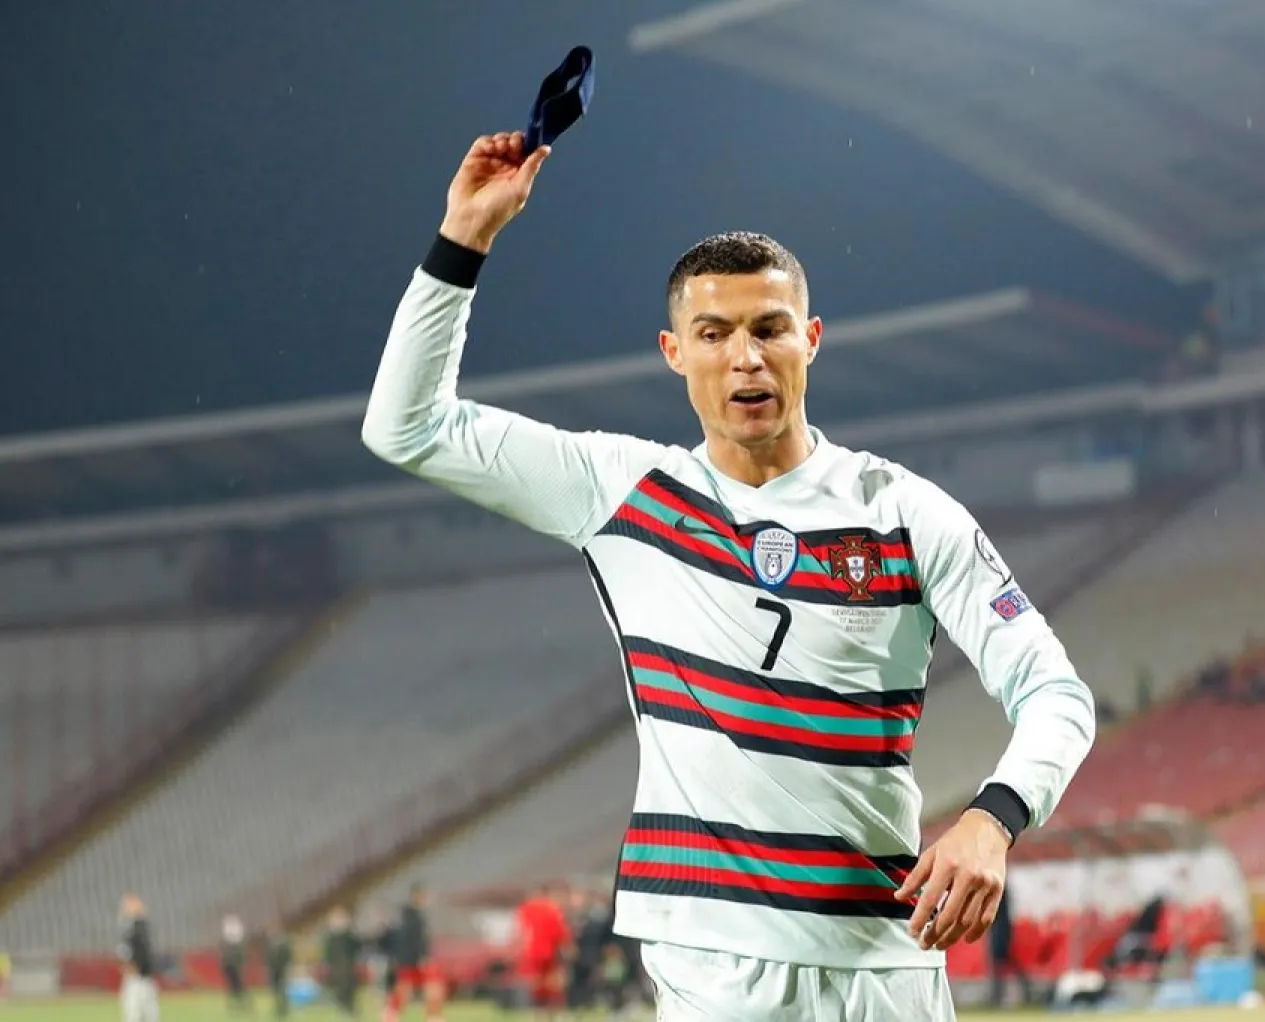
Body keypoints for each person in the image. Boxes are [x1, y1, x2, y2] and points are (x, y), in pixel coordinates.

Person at [362, 131, 1096, 1022]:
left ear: (810, 341)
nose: (745, 356)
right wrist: (464, 238)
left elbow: (1056, 692)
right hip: (713, 965)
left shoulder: (903, 513)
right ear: (674, 352)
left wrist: (993, 819)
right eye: (713, 334)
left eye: (768, 329)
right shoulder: (623, 491)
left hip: (882, 962)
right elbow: (404, 426)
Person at [514, 882, 573, 1021]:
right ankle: (557, 1014)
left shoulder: (524, 908)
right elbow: (560, 931)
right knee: (554, 983)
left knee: (536, 984)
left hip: (531, 952)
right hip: (549, 951)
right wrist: (568, 947)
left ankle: (538, 1014)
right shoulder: (552, 909)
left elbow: (520, 930)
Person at [383, 884, 442, 1022]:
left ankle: (391, 1015)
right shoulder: (411, 916)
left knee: (424, 987)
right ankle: (432, 1017)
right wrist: (423, 956)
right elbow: (414, 940)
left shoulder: (411, 914)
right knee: (417, 988)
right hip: (412, 959)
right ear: (417, 896)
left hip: (409, 959)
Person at [118, 895, 159, 1022]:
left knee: (137, 1014)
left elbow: (134, 953)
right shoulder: (134, 929)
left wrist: (132, 967)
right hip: (139, 978)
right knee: (144, 1014)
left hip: (139, 978)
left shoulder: (137, 929)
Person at [323, 905, 363, 1016]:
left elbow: (357, 948)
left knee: (349, 989)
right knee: (339, 990)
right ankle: (344, 1008)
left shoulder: (349, 936)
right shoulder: (331, 937)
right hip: (336, 967)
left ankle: (350, 1009)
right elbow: (328, 953)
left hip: (349, 967)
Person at [221, 913, 251, 1013]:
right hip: (231, 970)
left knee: (238, 986)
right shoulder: (231, 951)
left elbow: (237, 961)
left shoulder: (236, 950)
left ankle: (243, 1003)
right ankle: (239, 1003)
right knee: (234, 987)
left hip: (234, 970)